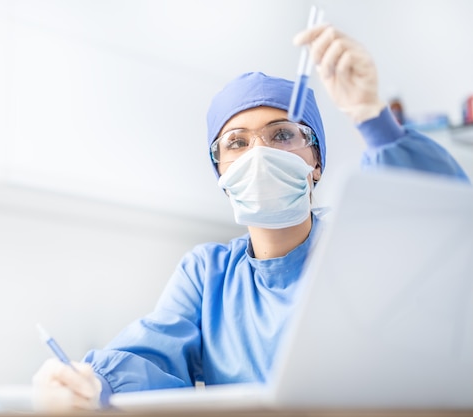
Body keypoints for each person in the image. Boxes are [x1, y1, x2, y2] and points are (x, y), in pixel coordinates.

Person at [31, 23, 470, 411]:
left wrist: (371, 118)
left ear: (315, 161)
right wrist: (92, 384)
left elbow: (437, 221)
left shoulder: (357, 245)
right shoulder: (208, 277)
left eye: (282, 135)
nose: (259, 154)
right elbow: (151, 358)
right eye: (237, 143)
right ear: (220, 171)